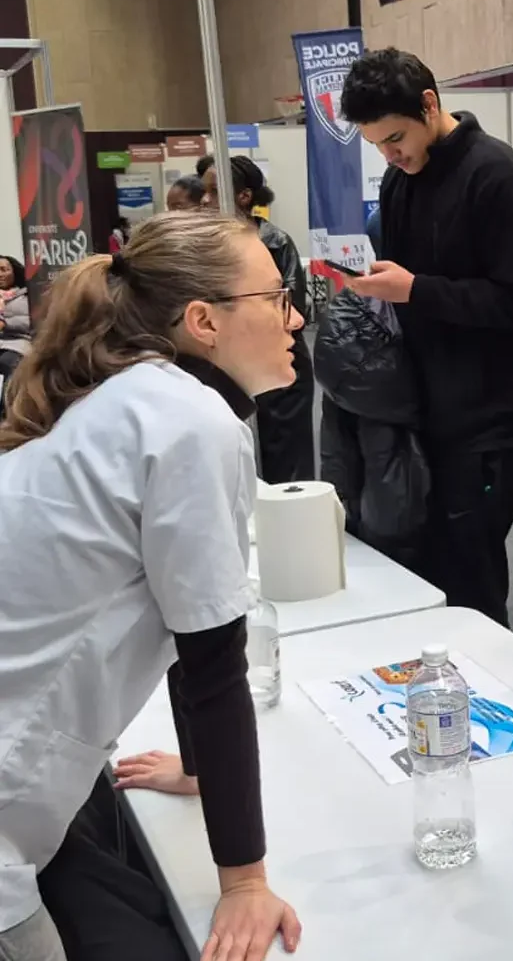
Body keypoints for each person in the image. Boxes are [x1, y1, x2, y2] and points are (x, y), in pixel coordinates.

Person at [0, 211, 303, 961]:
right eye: (277, 296)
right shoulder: (190, 422)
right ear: (205, 321)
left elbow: (179, 610)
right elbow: (214, 665)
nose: (295, 316)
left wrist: (198, 770)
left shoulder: (134, 401)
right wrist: (244, 883)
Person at [339, 47, 513, 629]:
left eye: (395, 137)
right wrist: (373, 285)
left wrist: (417, 291)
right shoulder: (398, 180)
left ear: (430, 105)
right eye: (378, 145)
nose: (390, 154)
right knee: (424, 570)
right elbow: (408, 283)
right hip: (421, 412)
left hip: (489, 420)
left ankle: (486, 702)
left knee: (473, 581)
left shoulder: (498, 176)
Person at [202, 155, 315, 484]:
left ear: (244, 196)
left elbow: (292, 311)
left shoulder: (275, 243)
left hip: (279, 361)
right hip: (229, 366)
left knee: (286, 461)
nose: (206, 200)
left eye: (214, 190)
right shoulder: (209, 247)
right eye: (204, 191)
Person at [314, 287, 429, 573]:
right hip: (396, 530)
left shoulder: (336, 353)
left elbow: (335, 459)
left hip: (350, 523)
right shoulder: (388, 369)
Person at [0, 255, 31, 383]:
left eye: (3, 269)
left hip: (17, 343)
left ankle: (10, 401)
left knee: (8, 362)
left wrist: (6, 323)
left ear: (14, 272)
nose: (0, 274)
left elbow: (30, 321)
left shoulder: (26, 296)